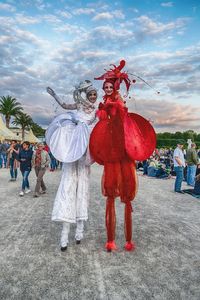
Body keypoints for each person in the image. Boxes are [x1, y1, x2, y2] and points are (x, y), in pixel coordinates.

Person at [89, 60, 156, 251]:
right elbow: (103, 122)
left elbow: (121, 118)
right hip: (112, 152)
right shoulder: (105, 103)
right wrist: (103, 110)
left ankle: (128, 240)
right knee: (110, 193)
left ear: (115, 86)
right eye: (106, 87)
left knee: (126, 194)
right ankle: (110, 240)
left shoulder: (118, 102)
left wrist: (113, 108)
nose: (108, 89)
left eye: (111, 86)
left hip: (123, 152)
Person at [46, 80, 98, 251]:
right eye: (89, 94)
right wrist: (53, 95)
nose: (92, 96)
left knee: (82, 188)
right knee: (68, 186)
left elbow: (101, 128)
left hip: (86, 154)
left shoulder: (98, 111)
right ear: (86, 95)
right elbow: (63, 105)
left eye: (94, 94)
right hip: (73, 150)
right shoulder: (78, 105)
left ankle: (80, 230)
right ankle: (64, 234)